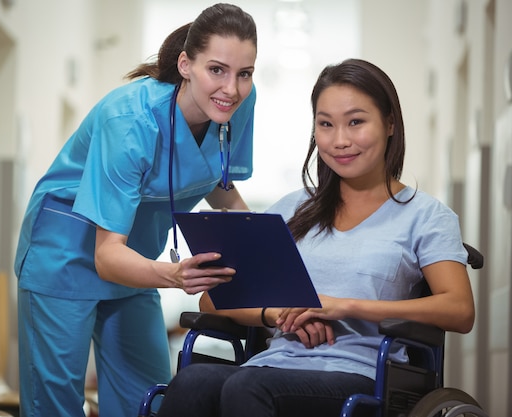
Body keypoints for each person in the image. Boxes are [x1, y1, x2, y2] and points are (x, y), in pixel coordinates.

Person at [155, 58, 476, 417]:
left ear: (389, 124)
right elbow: (212, 302)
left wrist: (345, 306)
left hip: (363, 373)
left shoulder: (426, 216)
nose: (340, 140)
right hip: (273, 363)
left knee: (248, 387)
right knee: (192, 382)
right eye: (326, 124)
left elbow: (459, 310)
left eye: (356, 122)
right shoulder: (290, 210)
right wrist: (276, 314)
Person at [13, 4, 258, 417]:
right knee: (55, 406)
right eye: (216, 70)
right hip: (67, 253)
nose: (231, 88)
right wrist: (176, 276)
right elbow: (106, 255)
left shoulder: (235, 108)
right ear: (185, 64)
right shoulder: (129, 120)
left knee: (145, 401)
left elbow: (220, 186)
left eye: (244, 74)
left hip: (135, 258)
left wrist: (265, 248)